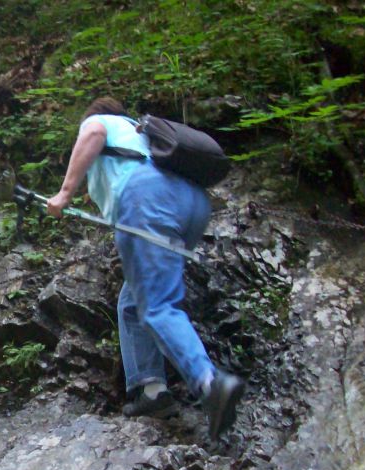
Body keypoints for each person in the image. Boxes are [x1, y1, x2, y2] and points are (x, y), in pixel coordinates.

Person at [46, 96, 244, 440]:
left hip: (149, 199)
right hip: (193, 203)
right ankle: (151, 392)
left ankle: (210, 383)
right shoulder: (141, 133)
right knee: (133, 302)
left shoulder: (101, 122)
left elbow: (92, 131)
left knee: (157, 306)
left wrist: (64, 194)